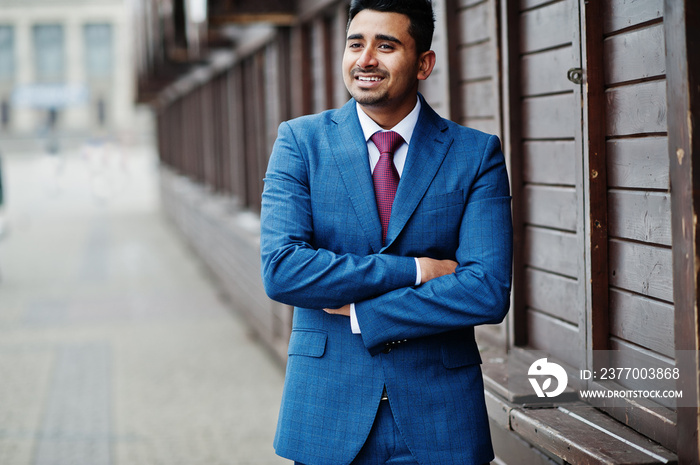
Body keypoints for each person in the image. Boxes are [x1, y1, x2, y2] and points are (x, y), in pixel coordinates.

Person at [260, 0, 512, 463]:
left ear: (424, 63)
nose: (366, 59)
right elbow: (283, 271)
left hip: (443, 416)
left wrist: (362, 314)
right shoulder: (300, 142)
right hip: (326, 413)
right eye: (356, 44)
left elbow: (486, 291)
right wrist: (416, 270)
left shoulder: (475, 154)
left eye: (386, 45)